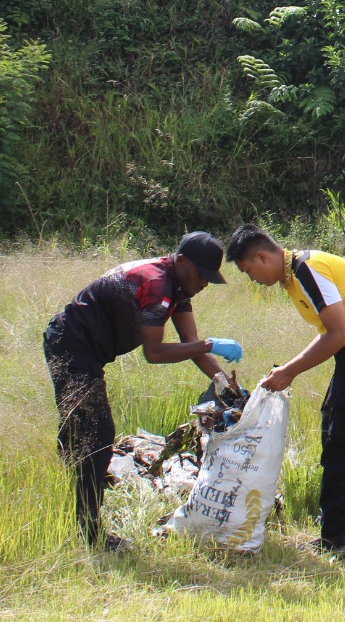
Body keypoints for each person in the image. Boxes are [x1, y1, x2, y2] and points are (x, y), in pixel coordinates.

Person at [42, 232, 241, 551]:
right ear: (182, 261)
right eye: (201, 274)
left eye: (210, 278)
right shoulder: (157, 284)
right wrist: (208, 344)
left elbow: (194, 346)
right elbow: (155, 352)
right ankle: (90, 536)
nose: (204, 283)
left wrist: (228, 387)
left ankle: (79, 489)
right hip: (71, 347)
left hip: (87, 352)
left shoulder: (177, 286)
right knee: (97, 438)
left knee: (83, 438)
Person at [225, 224, 345, 554]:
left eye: (249, 271)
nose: (253, 280)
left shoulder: (306, 270)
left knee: (342, 439)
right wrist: (287, 369)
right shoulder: (295, 276)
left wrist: (290, 372)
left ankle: (333, 539)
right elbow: (331, 330)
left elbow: (338, 334)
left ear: (262, 257)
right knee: (335, 428)